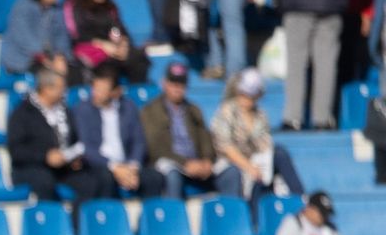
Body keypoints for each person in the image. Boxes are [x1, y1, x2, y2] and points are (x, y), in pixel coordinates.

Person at [267, 0, 357, 131]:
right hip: (333, 5)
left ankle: (293, 118)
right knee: (326, 63)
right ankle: (322, 119)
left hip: (298, 3)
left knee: (296, 62)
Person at [7, 68, 114, 207]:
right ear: (46, 89)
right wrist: (45, 156)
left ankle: (83, 223)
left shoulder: (66, 111)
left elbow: (75, 141)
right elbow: (16, 150)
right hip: (31, 168)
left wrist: (75, 158)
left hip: (64, 168)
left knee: (96, 179)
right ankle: (53, 224)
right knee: (44, 181)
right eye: (60, 88)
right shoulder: (22, 114)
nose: (64, 92)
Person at [142, 61, 237, 197]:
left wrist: (207, 160)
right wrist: (185, 163)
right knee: (172, 173)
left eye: (181, 84)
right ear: (164, 83)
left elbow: (205, 138)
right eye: (173, 83)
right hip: (171, 162)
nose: (177, 88)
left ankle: (232, 215)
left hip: (197, 162)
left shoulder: (193, 109)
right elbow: (154, 148)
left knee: (231, 171)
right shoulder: (150, 111)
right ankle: (174, 216)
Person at [73, 62, 166, 197]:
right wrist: (115, 167)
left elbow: (138, 141)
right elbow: (87, 148)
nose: (95, 94)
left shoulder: (128, 107)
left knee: (154, 178)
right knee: (105, 179)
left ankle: (149, 217)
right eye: (95, 88)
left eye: (101, 90)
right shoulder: (83, 109)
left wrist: (133, 167)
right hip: (99, 166)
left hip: (127, 165)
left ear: (115, 92)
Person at [210, 69, 304, 201]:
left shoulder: (260, 115)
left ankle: (299, 199)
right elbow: (226, 147)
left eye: (250, 95)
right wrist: (249, 167)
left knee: (279, 153)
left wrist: (259, 165)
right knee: (239, 173)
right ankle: (249, 217)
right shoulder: (226, 111)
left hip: (255, 161)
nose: (246, 98)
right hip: (230, 164)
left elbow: (265, 144)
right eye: (243, 93)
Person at [64, 0, 150, 83]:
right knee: (108, 67)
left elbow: (118, 29)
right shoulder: (74, 6)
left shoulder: (109, 7)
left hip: (112, 49)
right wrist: (102, 45)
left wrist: (123, 43)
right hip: (88, 49)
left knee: (138, 59)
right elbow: (76, 34)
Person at [2, 0, 72, 78]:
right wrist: (47, 60)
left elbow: (61, 37)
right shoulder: (23, 7)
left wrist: (60, 56)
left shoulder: (56, 10)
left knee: (75, 71)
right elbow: (24, 39)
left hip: (50, 58)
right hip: (24, 60)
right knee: (49, 76)